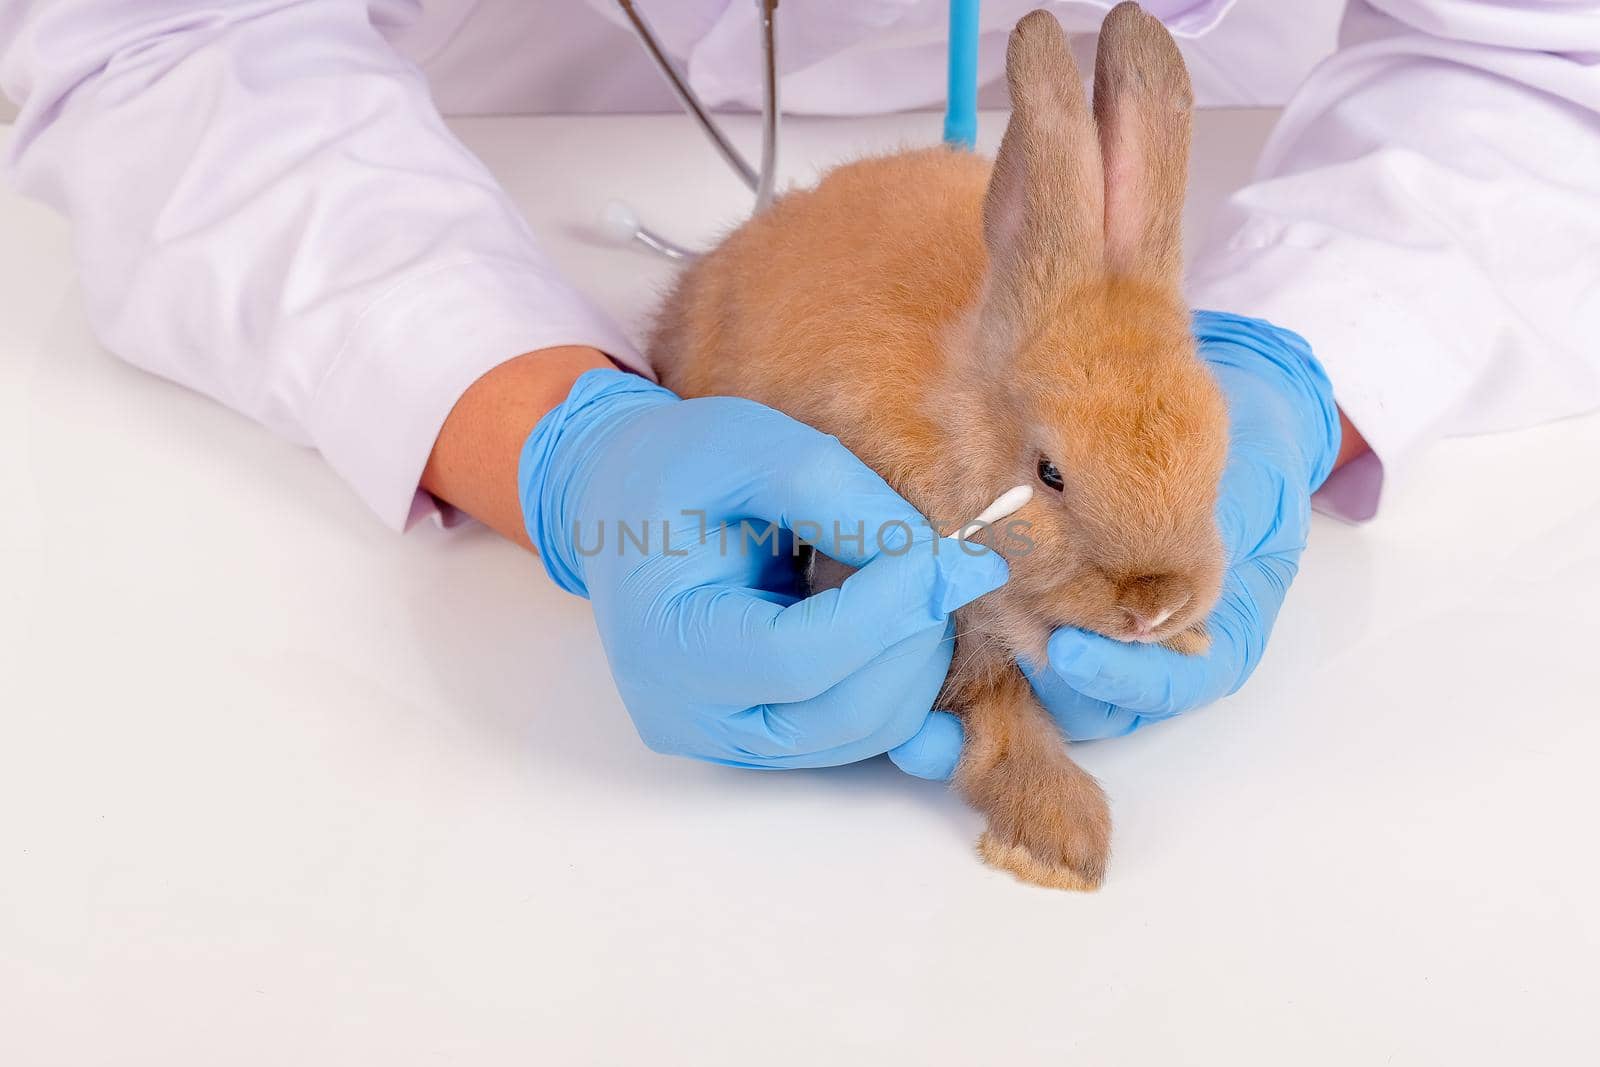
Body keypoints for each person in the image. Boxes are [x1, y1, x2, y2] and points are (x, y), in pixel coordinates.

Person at [2, 1, 1596, 780]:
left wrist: (1290, 362)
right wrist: (549, 438)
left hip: (1170, 222)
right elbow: (157, 36)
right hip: (508, 162)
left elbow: (1542, 62)